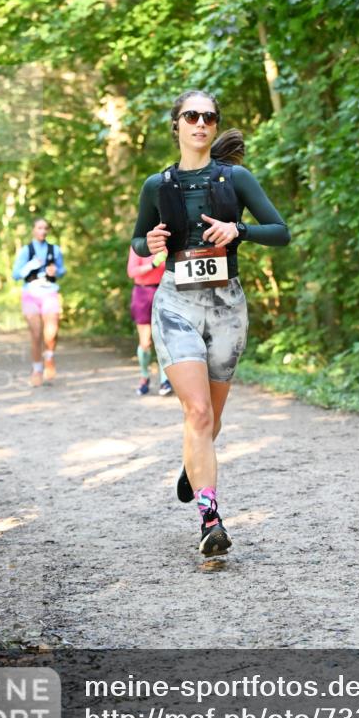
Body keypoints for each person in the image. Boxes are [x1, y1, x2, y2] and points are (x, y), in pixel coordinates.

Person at [131, 89, 290, 556]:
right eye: (191, 115)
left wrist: (239, 230)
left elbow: (280, 231)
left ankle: (192, 463)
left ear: (215, 126)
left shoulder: (235, 178)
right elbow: (139, 242)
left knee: (212, 419)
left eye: (209, 117)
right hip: (175, 303)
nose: (200, 123)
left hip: (226, 305)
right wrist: (153, 240)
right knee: (197, 412)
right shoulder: (156, 186)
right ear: (176, 125)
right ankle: (210, 520)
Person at [12, 218, 66, 387]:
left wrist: (56, 271)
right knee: (36, 334)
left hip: (50, 292)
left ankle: (49, 357)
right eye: (39, 228)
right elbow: (15, 275)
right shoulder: (25, 251)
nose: (42, 231)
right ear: (33, 230)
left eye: (45, 228)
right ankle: (37, 369)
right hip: (31, 294)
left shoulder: (54, 250)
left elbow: (62, 270)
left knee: (51, 333)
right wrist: (31, 265)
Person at [126, 245, 173, 396]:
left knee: (163, 339)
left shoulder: (167, 246)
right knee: (145, 342)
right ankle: (144, 377)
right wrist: (152, 264)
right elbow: (132, 272)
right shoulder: (138, 247)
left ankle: (165, 380)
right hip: (142, 293)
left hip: (164, 291)